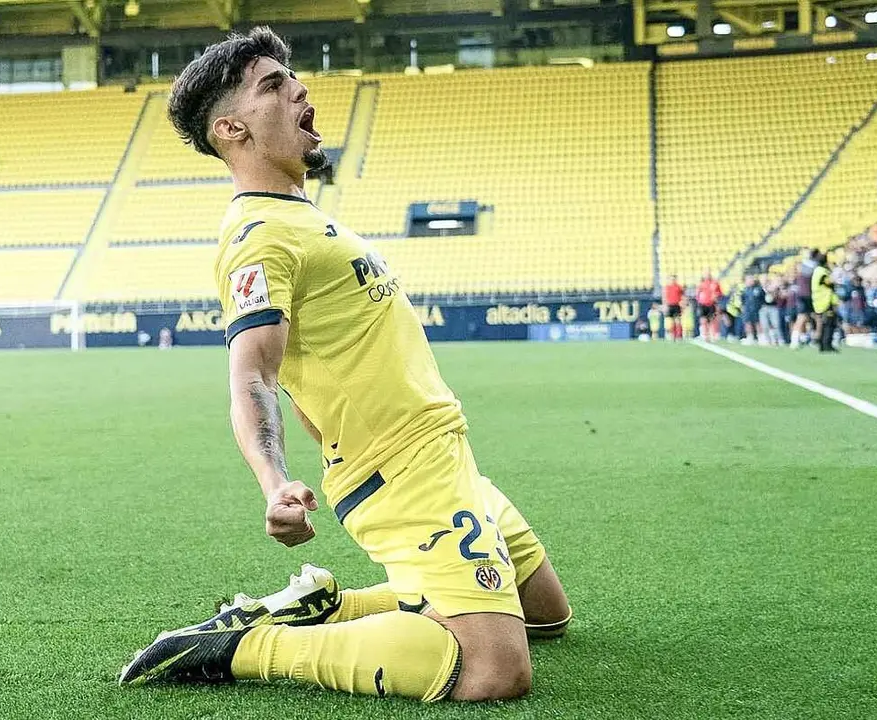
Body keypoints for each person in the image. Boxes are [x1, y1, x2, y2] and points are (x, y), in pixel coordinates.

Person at [118, 28, 570, 703]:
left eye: (292, 78)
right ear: (232, 129)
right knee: (495, 671)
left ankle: (329, 606)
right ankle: (247, 646)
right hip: (402, 473)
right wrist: (274, 482)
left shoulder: (301, 217)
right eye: (274, 85)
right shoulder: (258, 238)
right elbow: (253, 374)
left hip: (447, 455)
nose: (300, 89)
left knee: (547, 616)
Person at [811, 255, 839, 353]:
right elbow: (828, 282)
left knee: (824, 323)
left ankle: (823, 344)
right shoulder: (822, 272)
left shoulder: (817, 271)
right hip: (825, 301)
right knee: (829, 323)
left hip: (820, 301)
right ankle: (826, 344)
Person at [696, 272, 721, 342]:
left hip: (711, 304)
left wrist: (716, 297)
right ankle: (705, 335)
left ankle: (712, 335)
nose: (707, 276)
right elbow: (698, 294)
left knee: (712, 320)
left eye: (708, 275)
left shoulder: (715, 283)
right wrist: (699, 301)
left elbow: (719, 293)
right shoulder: (701, 284)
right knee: (703, 320)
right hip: (703, 304)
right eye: (706, 275)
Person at [662, 275, 684, 341]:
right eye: (671, 279)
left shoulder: (679, 287)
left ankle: (679, 335)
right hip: (670, 305)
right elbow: (664, 297)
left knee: (678, 321)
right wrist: (665, 305)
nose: (673, 280)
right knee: (671, 321)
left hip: (677, 305)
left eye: (674, 279)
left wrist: (682, 304)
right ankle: (673, 335)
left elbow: (682, 296)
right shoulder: (667, 287)